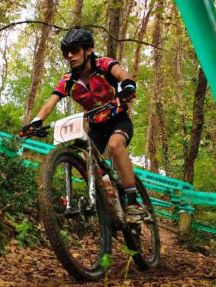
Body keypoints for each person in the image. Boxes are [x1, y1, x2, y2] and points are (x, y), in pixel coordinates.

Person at [19, 28, 145, 224]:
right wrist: (36, 121)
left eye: (75, 50)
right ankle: (109, 205)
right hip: (96, 127)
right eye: (66, 52)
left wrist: (128, 86)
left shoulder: (104, 65)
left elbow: (123, 75)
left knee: (115, 145)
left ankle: (133, 202)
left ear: (89, 50)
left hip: (118, 120)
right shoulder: (68, 81)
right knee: (89, 162)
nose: (69, 55)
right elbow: (50, 103)